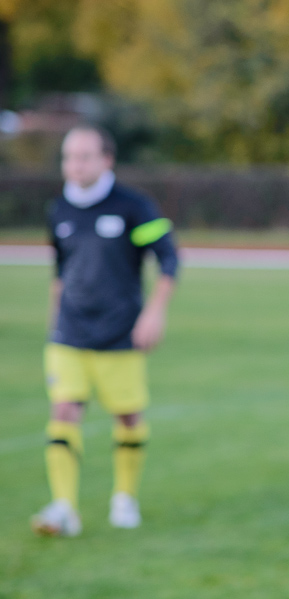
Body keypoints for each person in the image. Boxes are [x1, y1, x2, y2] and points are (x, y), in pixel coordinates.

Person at [33, 124, 178, 537]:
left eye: (84, 156)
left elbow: (168, 259)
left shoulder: (133, 206)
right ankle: (64, 507)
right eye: (68, 157)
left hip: (120, 334)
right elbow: (60, 272)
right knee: (64, 411)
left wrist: (155, 313)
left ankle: (125, 498)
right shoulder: (59, 209)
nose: (74, 165)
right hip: (69, 333)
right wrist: (54, 322)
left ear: (106, 160)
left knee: (128, 416)